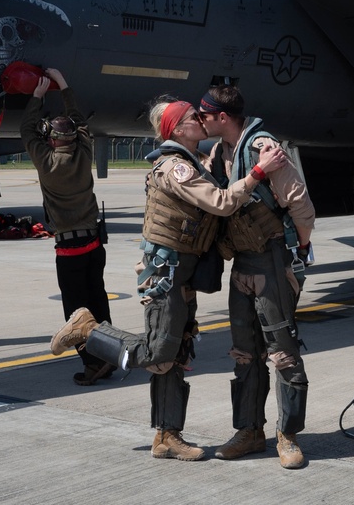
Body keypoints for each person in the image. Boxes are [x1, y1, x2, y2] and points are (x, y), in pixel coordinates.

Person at [50, 98, 287, 460]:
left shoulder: (194, 162)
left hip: (184, 273)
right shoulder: (176, 168)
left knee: (175, 354)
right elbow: (222, 202)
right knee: (159, 350)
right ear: (177, 129)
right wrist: (258, 172)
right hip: (166, 273)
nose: (201, 120)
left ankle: (166, 437)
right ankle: (88, 330)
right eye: (193, 117)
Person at [198, 85, 315, 468]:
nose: (201, 119)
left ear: (223, 118)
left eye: (205, 114)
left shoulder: (262, 147)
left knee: (282, 351)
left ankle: (288, 436)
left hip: (271, 261)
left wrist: (299, 248)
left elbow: (299, 201)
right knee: (245, 352)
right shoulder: (222, 152)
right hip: (243, 265)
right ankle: (249, 431)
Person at [21, 67, 114, 386]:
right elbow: (81, 122)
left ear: (53, 140)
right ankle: (110, 358)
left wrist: (36, 96)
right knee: (99, 303)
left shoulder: (47, 164)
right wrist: (64, 86)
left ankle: (93, 364)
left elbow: (26, 131)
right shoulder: (83, 152)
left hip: (70, 250)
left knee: (76, 314)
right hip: (93, 245)